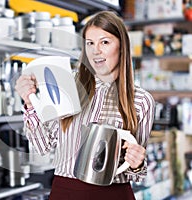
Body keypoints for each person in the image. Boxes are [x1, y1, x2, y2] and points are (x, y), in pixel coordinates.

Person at [15, 10, 155, 200]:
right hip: (66, 192)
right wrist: (30, 103)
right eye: (90, 43)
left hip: (114, 194)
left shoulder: (141, 100)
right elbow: (42, 146)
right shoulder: (68, 86)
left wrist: (137, 163)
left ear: (122, 46)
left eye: (104, 42)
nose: (95, 50)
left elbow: (135, 173)